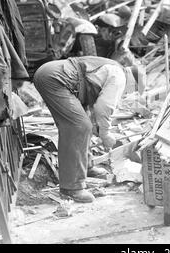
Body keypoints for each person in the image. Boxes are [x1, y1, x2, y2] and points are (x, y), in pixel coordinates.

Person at [33, 56, 145, 203]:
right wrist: (105, 134)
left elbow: (94, 108)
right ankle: (72, 188)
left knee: (83, 125)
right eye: (133, 90)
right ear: (133, 82)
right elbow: (104, 107)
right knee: (79, 127)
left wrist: (98, 127)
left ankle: (86, 167)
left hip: (55, 75)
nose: (129, 93)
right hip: (56, 78)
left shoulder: (113, 69)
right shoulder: (120, 77)